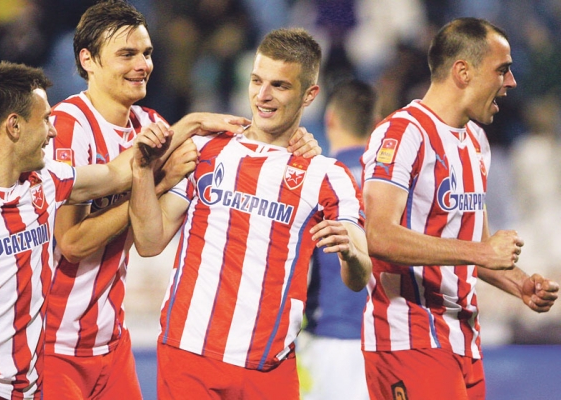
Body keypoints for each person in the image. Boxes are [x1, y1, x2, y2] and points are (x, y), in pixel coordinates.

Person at [0, 61, 244, 400]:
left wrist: (191, 124)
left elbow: (116, 173)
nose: (54, 130)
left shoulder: (45, 181)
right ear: (14, 126)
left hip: (23, 388)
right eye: (45, 120)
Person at [43, 2, 321, 399]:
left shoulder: (151, 125)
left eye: (147, 53)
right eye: (127, 54)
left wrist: (297, 141)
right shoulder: (68, 125)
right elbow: (72, 244)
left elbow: (152, 234)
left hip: (109, 337)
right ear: (88, 60)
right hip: (53, 341)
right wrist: (158, 182)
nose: (142, 65)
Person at [128, 28, 372, 399]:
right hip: (188, 356)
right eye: (257, 81)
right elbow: (149, 241)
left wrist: (351, 254)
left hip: (268, 369)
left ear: (309, 95)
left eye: (279, 85)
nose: (263, 95)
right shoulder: (206, 149)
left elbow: (359, 276)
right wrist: (142, 171)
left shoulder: (327, 175)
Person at [360, 17, 559, 400]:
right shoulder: (403, 134)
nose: (511, 82)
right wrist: (481, 252)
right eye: (502, 70)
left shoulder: (476, 142)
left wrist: (520, 284)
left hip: (463, 339)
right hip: (409, 338)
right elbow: (377, 235)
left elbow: (473, 248)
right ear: (463, 72)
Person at [297, 78, 379, 400]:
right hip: (385, 339)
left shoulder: (316, 182)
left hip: (329, 336)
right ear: (376, 124)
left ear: (330, 119)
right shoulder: (396, 184)